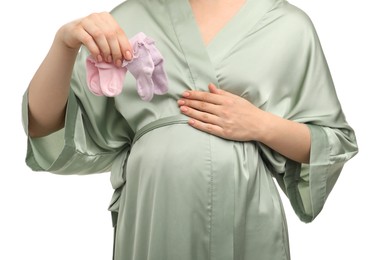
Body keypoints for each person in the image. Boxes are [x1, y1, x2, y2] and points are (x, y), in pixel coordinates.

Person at [22, 0, 358, 259]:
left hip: (245, 212)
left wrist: (261, 124)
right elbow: (47, 127)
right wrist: (64, 44)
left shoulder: (289, 26)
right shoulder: (128, 18)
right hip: (152, 211)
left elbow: (332, 142)